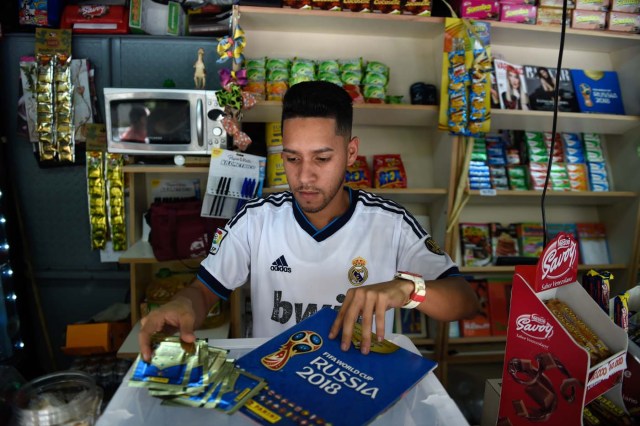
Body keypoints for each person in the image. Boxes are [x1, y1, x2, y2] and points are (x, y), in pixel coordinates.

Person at [139, 81, 479, 361]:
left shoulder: (391, 224)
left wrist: (407, 290)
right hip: (273, 384)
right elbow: (204, 291)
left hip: (362, 383)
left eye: (322, 158)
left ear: (350, 153)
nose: (304, 176)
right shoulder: (255, 220)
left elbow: (464, 300)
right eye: (291, 158)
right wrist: (182, 304)